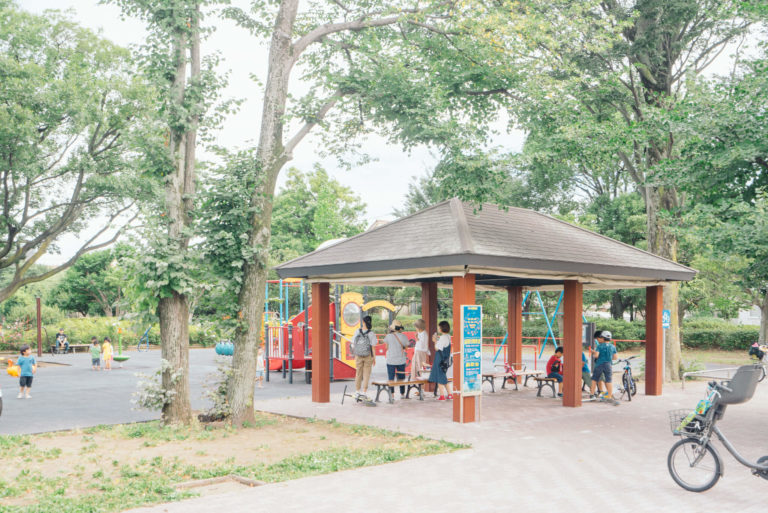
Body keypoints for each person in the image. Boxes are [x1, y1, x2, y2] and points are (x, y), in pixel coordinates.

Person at [352, 315, 377, 399]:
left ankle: (357, 391)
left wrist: (355, 353)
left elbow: (353, 343)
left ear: (363, 322)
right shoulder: (371, 333)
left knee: (358, 373)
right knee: (366, 374)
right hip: (368, 355)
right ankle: (364, 392)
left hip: (358, 355)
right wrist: (374, 358)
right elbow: (373, 347)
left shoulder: (357, 331)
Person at [383, 320, 409, 399]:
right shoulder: (403, 336)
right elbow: (406, 348)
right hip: (401, 360)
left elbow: (386, 347)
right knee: (401, 377)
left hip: (390, 360)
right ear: (400, 328)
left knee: (391, 377)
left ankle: (392, 395)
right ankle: (402, 394)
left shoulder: (388, 336)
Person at [428, 321, 453, 401]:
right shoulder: (448, 336)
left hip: (440, 360)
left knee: (439, 377)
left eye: (439, 327)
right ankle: (450, 394)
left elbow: (437, 348)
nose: (438, 328)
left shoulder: (442, 338)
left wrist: (435, 341)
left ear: (442, 328)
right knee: (443, 377)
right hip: (445, 360)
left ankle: (442, 396)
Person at [590, 330, 618, 399]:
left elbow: (596, 356)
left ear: (603, 338)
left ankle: (592, 394)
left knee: (594, 379)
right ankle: (609, 396)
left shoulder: (600, 346)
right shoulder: (612, 346)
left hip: (599, 364)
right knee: (608, 380)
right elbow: (615, 357)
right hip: (608, 365)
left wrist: (594, 353)